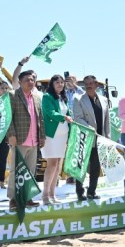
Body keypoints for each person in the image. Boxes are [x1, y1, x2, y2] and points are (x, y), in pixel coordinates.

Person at [6, 67, 44, 209]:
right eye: (27, 80)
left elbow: (41, 118)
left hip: (34, 141)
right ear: (20, 82)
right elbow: (8, 117)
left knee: (30, 172)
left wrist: (42, 137)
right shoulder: (12, 95)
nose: (31, 82)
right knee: (16, 170)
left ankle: (27, 197)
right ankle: (13, 199)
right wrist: (11, 135)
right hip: (19, 139)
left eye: (32, 79)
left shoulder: (37, 98)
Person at [72, 75, 109, 201]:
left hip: (99, 139)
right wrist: (88, 127)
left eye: (91, 83)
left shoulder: (104, 100)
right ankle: (80, 192)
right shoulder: (78, 99)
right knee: (81, 167)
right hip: (84, 137)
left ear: (96, 85)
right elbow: (77, 118)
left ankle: (91, 192)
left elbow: (107, 121)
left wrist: (107, 138)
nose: (88, 85)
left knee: (96, 167)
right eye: (86, 83)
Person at [41, 74, 74, 204]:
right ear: (52, 84)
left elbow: (68, 113)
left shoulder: (63, 98)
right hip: (51, 135)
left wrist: (69, 120)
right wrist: (64, 118)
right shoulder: (47, 97)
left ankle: (52, 194)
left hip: (63, 135)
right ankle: (45, 195)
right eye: (57, 82)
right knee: (52, 164)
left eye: (62, 82)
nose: (60, 84)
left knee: (58, 165)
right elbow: (50, 112)